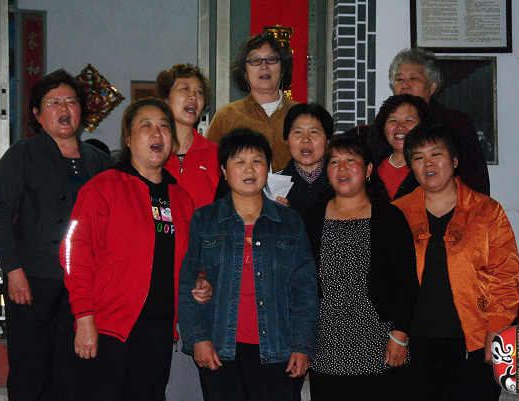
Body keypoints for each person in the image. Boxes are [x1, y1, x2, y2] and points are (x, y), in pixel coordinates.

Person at [59, 98, 212, 401]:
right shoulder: (103, 188)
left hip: (160, 330)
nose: (157, 134)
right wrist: (85, 317)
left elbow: (192, 257)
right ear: (128, 139)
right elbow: (74, 253)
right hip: (108, 328)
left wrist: (201, 279)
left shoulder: (181, 198)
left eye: (164, 127)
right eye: (146, 126)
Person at [0, 69, 112, 401]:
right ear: (37, 114)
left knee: (73, 370)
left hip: (84, 283)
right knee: (30, 369)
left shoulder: (100, 161)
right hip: (32, 280)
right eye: (54, 102)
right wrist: (13, 271)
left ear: (81, 111)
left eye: (71, 101)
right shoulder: (22, 154)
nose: (64, 108)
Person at [178, 128, 319, 401]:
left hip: (278, 350)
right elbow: (186, 282)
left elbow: (305, 290)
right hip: (219, 349)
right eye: (239, 161)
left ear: (267, 168)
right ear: (224, 170)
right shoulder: (204, 220)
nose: (249, 169)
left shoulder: (289, 222)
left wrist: (303, 346)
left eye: (257, 160)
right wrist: (198, 339)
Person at [393, 122, 519, 401]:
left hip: (474, 341)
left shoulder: (487, 211)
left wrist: (497, 330)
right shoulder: (396, 213)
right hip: (413, 343)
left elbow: (506, 275)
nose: (428, 163)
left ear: (454, 160)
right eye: (418, 157)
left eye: (436, 154)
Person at [301, 134, 419, 401]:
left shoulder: (389, 217)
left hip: (379, 342)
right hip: (325, 343)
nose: (342, 168)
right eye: (334, 161)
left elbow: (407, 282)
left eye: (350, 160)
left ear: (368, 170)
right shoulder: (312, 217)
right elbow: (300, 283)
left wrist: (400, 335)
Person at [367, 47, 490, 196]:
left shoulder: (456, 123)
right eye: (399, 79)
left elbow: (476, 179)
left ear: (432, 87)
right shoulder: (382, 126)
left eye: (413, 79)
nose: (405, 85)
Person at [206, 33, 298, 172]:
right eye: (255, 60)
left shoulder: (301, 114)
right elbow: (209, 167)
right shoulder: (226, 116)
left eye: (271, 59)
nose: (264, 66)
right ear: (244, 73)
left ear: (283, 69)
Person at [155, 63, 220, 208]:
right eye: (185, 89)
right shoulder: (152, 152)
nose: (193, 97)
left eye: (199, 92)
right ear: (165, 98)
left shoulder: (217, 154)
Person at [370, 94, 433, 200]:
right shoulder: (371, 166)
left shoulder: (431, 166)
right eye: (393, 120)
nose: (400, 127)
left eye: (409, 120)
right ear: (383, 127)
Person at [276, 103, 333, 215]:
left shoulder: (340, 180)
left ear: (328, 140)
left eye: (314, 132)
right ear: (286, 140)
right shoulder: (275, 185)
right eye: (298, 132)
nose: (306, 139)